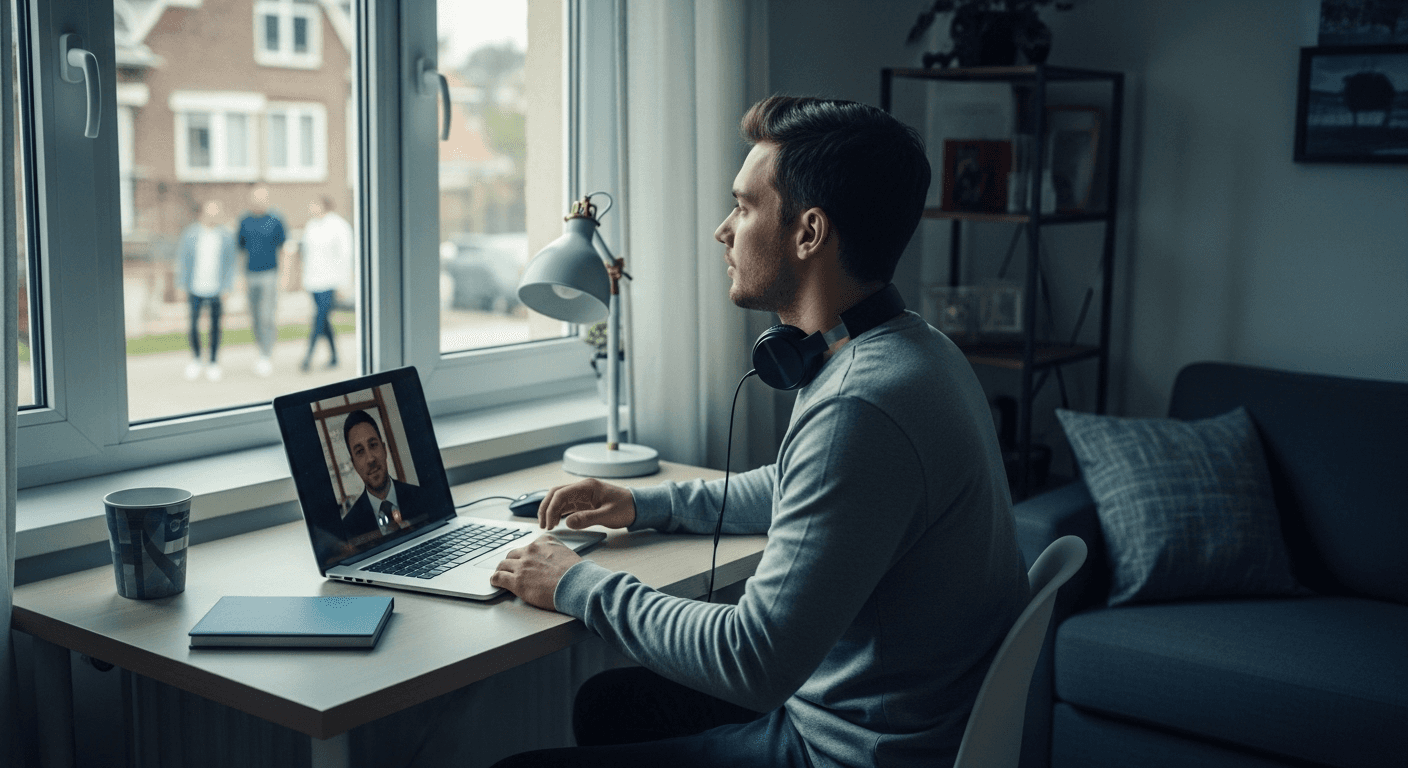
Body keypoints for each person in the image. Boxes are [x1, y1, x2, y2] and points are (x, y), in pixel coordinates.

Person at [488, 96, 1030, 768]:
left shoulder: (859, 405)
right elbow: (795, 487)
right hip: (899, 718)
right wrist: (644, 504)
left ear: (808, 233)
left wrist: (575, 583)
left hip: (849, 751)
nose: (723, 229)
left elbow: (753, 661)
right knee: (608, 707)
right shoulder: (915, 352)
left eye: (743, 207)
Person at [176, 199, 237, 382]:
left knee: (215, 326)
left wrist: (227, 286)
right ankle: (196, 359)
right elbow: (184, 260)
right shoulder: (191, 234)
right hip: (195, 287)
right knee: (193, 325)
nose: (214, 215)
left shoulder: (225, 235)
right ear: (203, 212)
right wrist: (181, 284)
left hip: (217, 289)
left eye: (216, 211)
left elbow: (230, 263)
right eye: (211, 210)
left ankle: (212, 361)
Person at [340, 409, 422, 542]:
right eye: (360, 451)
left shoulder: (422, 497)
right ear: (354, 464)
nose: (370, 459)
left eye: (373, 445)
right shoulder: (348, 529)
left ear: (384, 449)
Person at [299, 196, 353, 372]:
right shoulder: (311, 226)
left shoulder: (338, 226)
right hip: (313, 281)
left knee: (319, 318)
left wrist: (344, 283)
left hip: (331, 281)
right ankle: (335, 357)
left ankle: (308, 356)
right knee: (324, 320)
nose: (311, 208)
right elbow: (308, 255)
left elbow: (346, 256)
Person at [238, 186, 285, 377]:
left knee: (267, 316)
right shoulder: (244, 221)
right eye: (255, 198)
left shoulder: (275, 220)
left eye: (262, 198)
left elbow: (284, 249)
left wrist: (284, 277)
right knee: (255, 317)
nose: (259, 201)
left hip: (270, 274)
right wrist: (240, 278)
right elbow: (241, 251)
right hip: (250, 275)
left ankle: (266, 355)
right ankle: (261, 351)